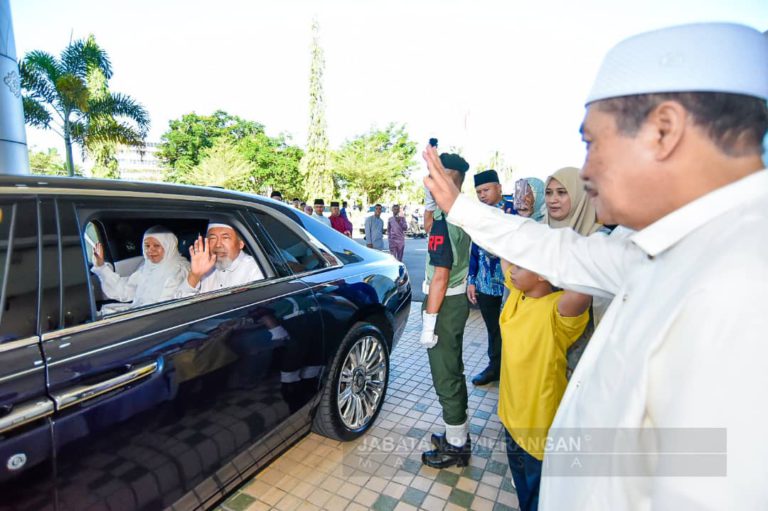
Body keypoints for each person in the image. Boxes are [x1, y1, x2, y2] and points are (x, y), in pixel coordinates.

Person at [423, 22, 768, 510]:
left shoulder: (746, 286)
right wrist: (460, 207)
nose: (585, 170)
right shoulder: (656, 242)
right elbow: (560, 253)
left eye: (592, 143)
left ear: (664, 131)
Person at [499, 261, 591, 511]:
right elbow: (504, 249)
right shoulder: (518, 293)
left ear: (543, 274)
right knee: (522, 485)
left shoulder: (557, 309)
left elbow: (585, 286)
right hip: (510, 414)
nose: (512, 271)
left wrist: (552, 252)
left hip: (538, 424)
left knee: (540, 496)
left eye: (521, 266)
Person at [420, 153, 473, 469]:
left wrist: (429, 322)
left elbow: (439, 275)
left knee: (445, 375)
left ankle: (457, 447)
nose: (427, 180)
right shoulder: (459, 212)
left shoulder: (446, 220)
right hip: (454, 302)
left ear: (446, 180)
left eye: (433, 175)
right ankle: (457, 432)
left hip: (444, 304)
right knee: (453, 369)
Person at [466, 169, 515, 385]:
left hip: (512, 286)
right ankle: (494, 367)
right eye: (478, 192)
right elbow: (475, 251)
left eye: (486, 190)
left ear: (499, 188)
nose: (482, 195)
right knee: (493, 329)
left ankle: (514, 372)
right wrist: (471, 281)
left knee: (513, 330)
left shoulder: (514, 213)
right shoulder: (480, 217)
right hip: (486, 285)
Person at [91, 225, 189, 311]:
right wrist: (101, 267)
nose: (150, 250)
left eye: (156, 245)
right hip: (141, 313)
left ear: (168, 246)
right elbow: (125, 290)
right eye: (147, 246)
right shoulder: (147, 267)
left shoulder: (180, 269)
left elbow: (171, 305)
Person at [177, 220, 264, 297]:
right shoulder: (204, 268)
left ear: (241, 243)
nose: (218, 245)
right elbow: (177, 308)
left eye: (225, 238)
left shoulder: (255, 270)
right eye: (212, 238)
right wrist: (194, 276)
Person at [544, 167, 602, 235]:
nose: (552, 200)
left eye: (561, 192)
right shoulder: (535, 232)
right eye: (548, 192)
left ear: (579, 196)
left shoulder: (602, 240)